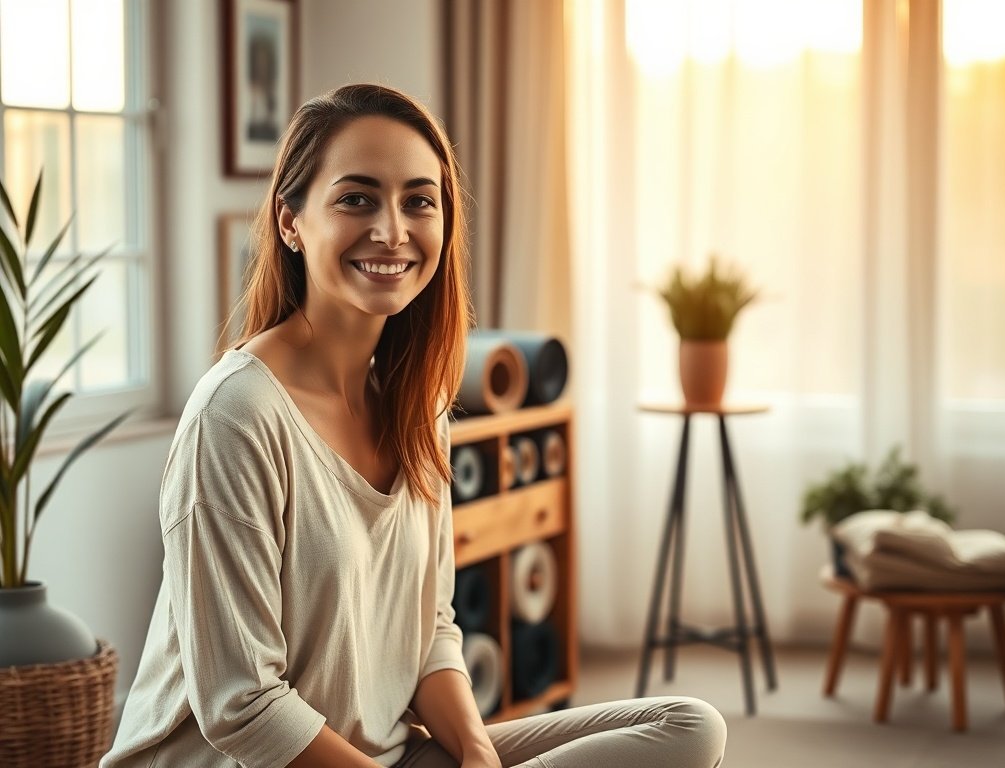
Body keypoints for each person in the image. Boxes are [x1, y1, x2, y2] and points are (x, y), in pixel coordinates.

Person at [101, 84, 727, 768]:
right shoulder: (237, 413)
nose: (392, 230)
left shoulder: (417, 404)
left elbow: (429, 630)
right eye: (357, 198)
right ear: (290, 221)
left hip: (382, 754)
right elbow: (242, 703)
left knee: (685, 726)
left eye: (418, 201)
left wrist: (479, 755)